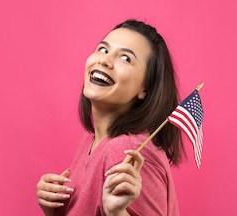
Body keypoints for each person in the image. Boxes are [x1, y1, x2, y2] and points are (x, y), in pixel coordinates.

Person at [36, 19, 182, 216]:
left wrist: (117, 212)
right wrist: (54, 211)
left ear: (145, 88)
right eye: (103, 50)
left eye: (125, 58)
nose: (104, 60)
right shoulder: (92, 139)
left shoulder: (126, 149)